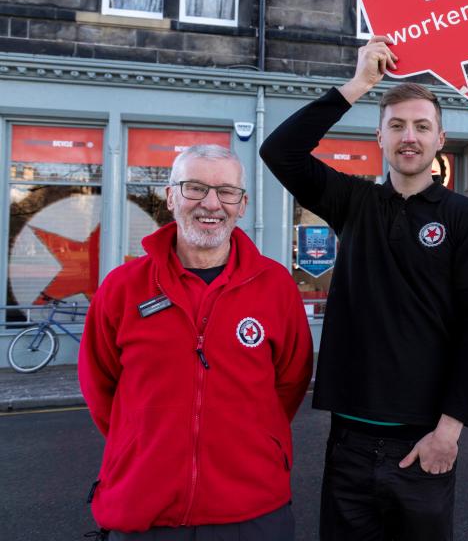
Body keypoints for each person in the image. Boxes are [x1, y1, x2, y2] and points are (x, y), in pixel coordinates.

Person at [260, 39, 468, 541]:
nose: (408, 137)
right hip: (348, 439)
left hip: (423, 441)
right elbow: (278, 150)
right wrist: (359, 84)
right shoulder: (353, 202)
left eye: (420, 126)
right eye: (396, 126)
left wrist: (449, 432)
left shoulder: (467, 218)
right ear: (379, 136)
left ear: (440, 138)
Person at [79, 145, 313, 539]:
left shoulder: (276, 287)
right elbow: (100, 387)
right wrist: (140, 441)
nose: (211, 204)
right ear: (171, 197)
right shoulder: (122, 288)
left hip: (252, 511)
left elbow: (290, 384)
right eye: (194, 187)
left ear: (242, 204)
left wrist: (257, 440)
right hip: (143, 509)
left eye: (226, 191)